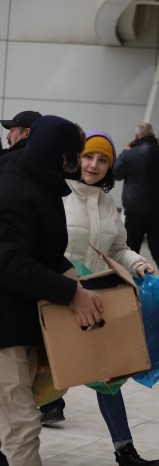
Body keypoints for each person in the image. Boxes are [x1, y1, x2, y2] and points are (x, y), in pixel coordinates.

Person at [41, 130, 159, 465]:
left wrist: (139, 264)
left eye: (102, 160)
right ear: (77, 158)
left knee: (107, 376)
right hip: (55, 295)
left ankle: (125, 452)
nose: (93, 164)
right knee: (35, 374)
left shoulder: (109, 204)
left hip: (92, 297)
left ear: (110, 167)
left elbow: (118, 248)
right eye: (88, 156)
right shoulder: (59, 193)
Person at [0, 115, 103, 466]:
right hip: (4, 328)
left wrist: (74, 277)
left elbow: (40, 250)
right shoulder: (14, 189)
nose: (81, 162)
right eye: (77, 154)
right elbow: (10, 262)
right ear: (62, 156)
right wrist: (71, 293)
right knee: (22, 425)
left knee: (14, 419)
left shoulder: (40, 182)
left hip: (18, 320)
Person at [113, 123, 159, 308]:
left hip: (135, 211)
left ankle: (128, 289)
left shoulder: (130, 154)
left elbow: (116, 174)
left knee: (128, 250)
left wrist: (125, 152)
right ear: (154, 135)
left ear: (137, 136)